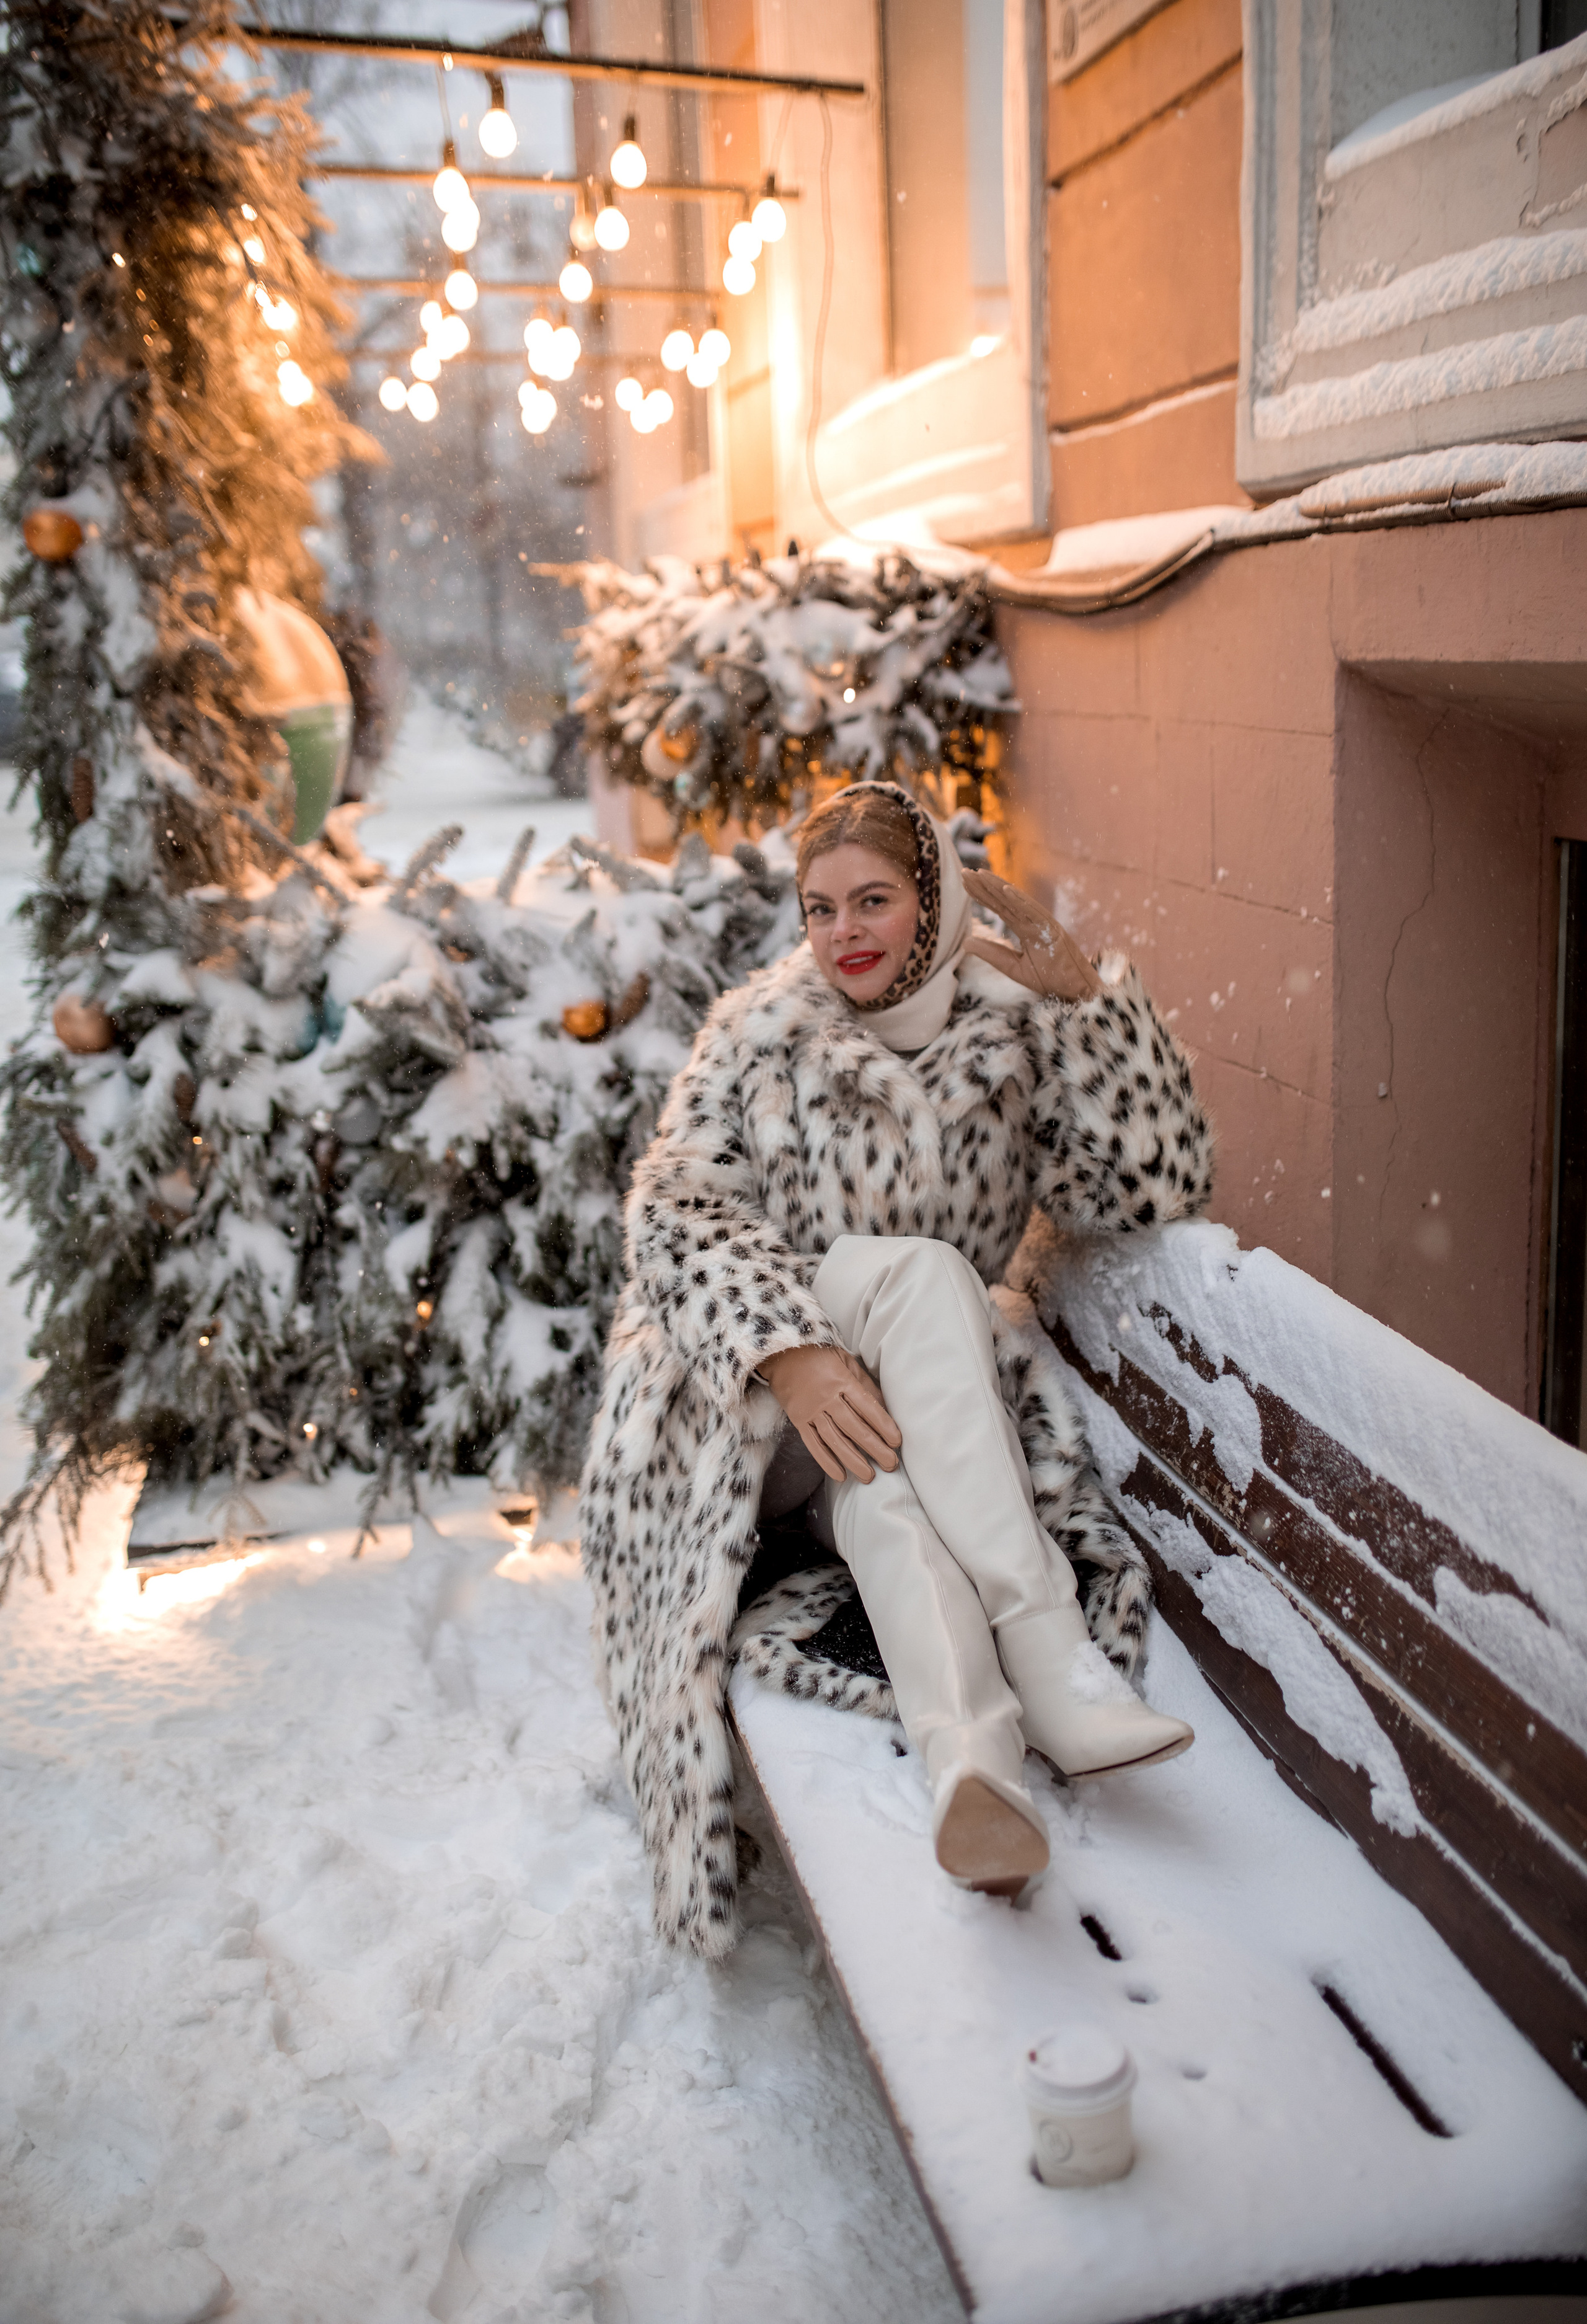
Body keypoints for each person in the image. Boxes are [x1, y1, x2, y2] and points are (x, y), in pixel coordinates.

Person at [581, 782, 1214, 1958]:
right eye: (821, 909)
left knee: (890, 1501)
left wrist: (1091, 1011)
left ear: (938, 900)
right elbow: (671, 1212)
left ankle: (976, 1774)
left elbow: (1148, 1191)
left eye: (874, 899)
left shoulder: (1015, 1036)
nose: (844, 933)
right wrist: (796, 1351)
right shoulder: (762, 1034)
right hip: (745, 1425)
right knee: (924, 1273)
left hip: (893, 1437)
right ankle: (1051, 1650)